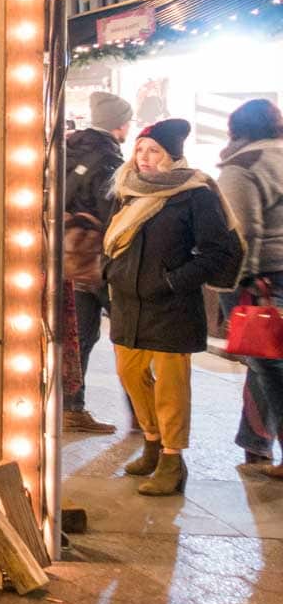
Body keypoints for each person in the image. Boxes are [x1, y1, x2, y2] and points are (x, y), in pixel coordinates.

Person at [105, 118, 244, 496]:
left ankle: (171, 457)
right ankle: (151, 440)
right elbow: (114, 237)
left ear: (172, 155)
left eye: (154, 151)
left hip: (171, 304)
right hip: (129, 302)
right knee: (130, 374)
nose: (144, 158)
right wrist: (109, 271)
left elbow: (220, 251)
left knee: (171, 384)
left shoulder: (194, 193)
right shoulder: (127, 189)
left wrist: (172, 281)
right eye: (140, 149)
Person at [216, 99, 283, 478]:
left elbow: (241, 232)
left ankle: (262, 444)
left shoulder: (243, 167)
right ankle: (255, 443)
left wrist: (245, 278)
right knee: (264, 359)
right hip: (276, 272)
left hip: (259, 277)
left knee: (268, 363)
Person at [63, 91, 133, 434]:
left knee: (80, 338)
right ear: (120, 125)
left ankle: (72, 408)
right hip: (103, 261)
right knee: (131, 338)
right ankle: (144, 419)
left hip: (71, 258)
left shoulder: (68, 149)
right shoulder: (108, 159)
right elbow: (113, 216)